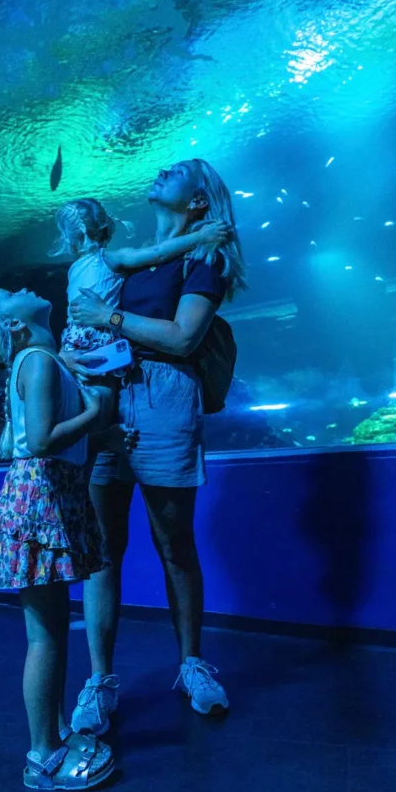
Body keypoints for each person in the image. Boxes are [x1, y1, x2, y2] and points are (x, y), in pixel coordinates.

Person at [66, 159, 247, 736]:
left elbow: (184, 337)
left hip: (165, 402)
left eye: (180, 171)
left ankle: (192, 663)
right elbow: (92, 323)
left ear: (198, 202)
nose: (163, 168)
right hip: (108, 404)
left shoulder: (203, 257)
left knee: (174, 543)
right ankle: (99, 679)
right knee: (101, 550)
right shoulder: (137, 256)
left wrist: (107, 316)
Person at [0, 286, 136, 790]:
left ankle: (56, 731)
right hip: (38, 504)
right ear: (14, 325)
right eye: (9, 294)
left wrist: (99, 432)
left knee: (53, 633)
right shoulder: (36, 358)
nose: (23, 287)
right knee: (46, 637)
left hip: (50, 499)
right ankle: (42, 757)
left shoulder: (45, 358)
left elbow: (54, 436)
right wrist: (98, 413)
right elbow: (40, 441)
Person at [54, 197, 229, 423]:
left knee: (79, 397)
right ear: (105, 227)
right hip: (98, 336)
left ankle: (96, 432)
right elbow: (159, 253)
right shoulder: (112, 258)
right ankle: (103, 430)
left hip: (73, 339)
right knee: (101, 395)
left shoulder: (75, 269)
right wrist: (200, 237)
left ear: (70, 236)